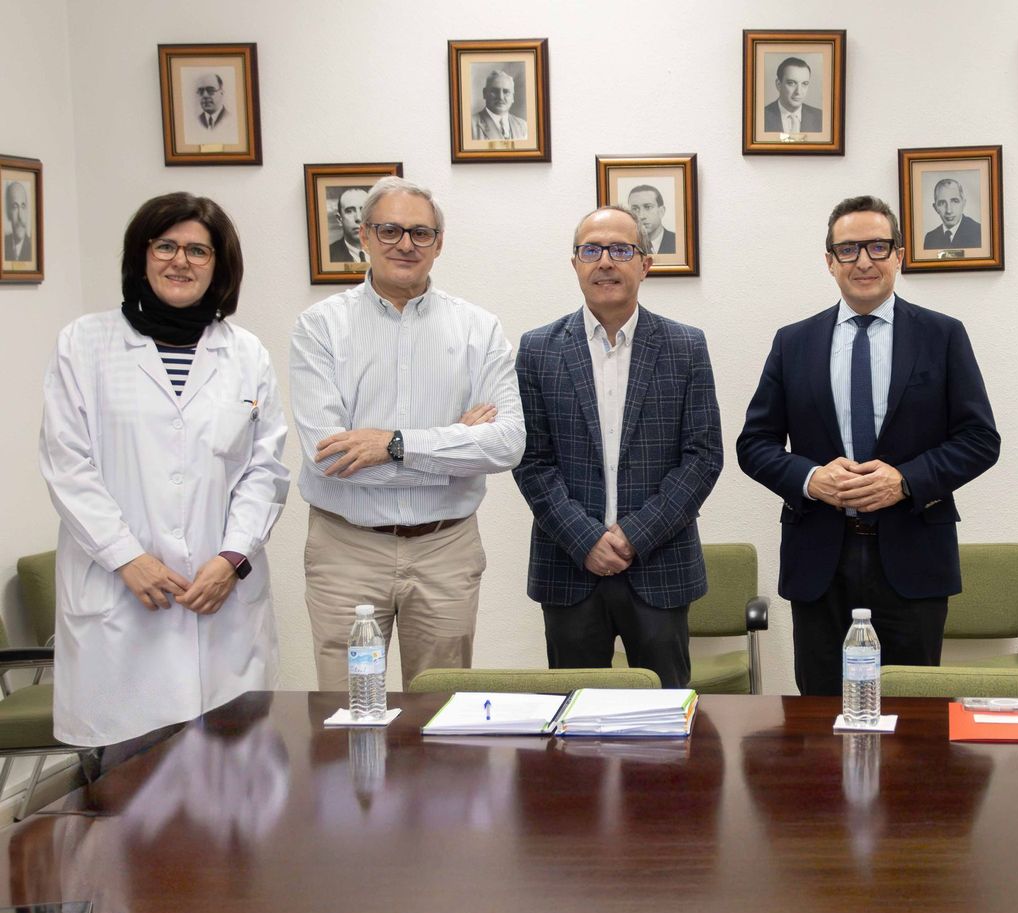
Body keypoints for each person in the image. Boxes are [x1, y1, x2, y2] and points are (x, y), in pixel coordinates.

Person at [38, 192, 289, 754]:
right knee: (128, 802)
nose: (181, 261)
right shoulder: (86, 345)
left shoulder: (246, 354)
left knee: (232, 797)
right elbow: (66, 462)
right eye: (166, 246)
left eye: (198, 250)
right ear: (141, 256)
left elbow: (265, 470)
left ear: (219, 265)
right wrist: (126, 556)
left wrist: (232, 559)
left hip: (219, 599)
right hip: (120, 600)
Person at [737, 195, 1000, 695]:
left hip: (914, 554)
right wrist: (812, 479)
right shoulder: (793, 343)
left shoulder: (942, 336)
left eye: (878, 247)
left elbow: (980, 439)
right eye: (849, 249)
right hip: (819, 559)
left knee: (914, 717)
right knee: (818, 716)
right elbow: (755, 444)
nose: (864, 261)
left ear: (900, 255)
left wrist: (905, 480)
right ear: (829, 261)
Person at [290, 176, 524, 691]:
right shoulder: (320, 328)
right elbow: (328, 457)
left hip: (445, 549)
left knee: (441, 718)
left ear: (439, 244)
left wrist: (392, 444)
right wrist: (453, 443)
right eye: (390, 230)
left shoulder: (478, 329)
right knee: (350, 710)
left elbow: (507, 443)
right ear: (364, 237)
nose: (405, 244)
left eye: (421, 233)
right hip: (346, 549)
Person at [513, 207, 722, 688]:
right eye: (592, 250)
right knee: (571, 730)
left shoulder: (685, 346)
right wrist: (586, 539)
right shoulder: (537, 349)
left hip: (659, 566)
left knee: (666, 723)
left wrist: (633, 536)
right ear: (575, 263)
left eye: (621, 250)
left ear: (645, 264)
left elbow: (703, 457)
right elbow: (532, 461)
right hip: (569, 567)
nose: (605, 261)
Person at [763, 56, 823, 134]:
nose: (798, 92)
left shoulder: (820, 117)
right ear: (778, 84)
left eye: (804, 84)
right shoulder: (761, 117)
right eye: (791, 83)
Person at [921, 179, 981, 250]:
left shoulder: (978, 232)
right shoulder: (930, 238)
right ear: (935, 207)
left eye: (954, 201)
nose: (949, 210)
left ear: (963, 203)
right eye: (942, 203)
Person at [470, 69, 530, 141]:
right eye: (494, 91)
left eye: (506, 92)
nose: (500, 97)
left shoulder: (523, 126)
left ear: (512, 97)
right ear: (485, 93)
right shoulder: (470, 125)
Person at [627, 185, 675, 256]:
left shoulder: (677, 242)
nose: (641, 216)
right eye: (635, 209)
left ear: (661, 211)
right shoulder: (625, 244)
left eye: (648, 207)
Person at [327, 186, 368, 264]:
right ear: (339, 219)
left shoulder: (385, 253)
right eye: (349, 211)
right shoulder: (328, 256)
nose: (358, 218)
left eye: (364, 210)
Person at [3, 180, 30, 263]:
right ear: (8, 212)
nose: (20, 217)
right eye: (15, 207)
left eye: (23, 206)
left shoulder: (32, 247)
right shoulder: (3, 245)